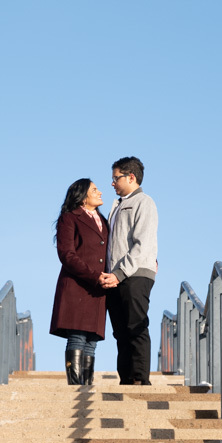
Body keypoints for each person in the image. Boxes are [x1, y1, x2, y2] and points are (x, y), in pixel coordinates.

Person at [100, 156, 158, 386]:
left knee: (136, 326)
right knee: (120, 332)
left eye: (116, 178)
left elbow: (142, 243)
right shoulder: (117, 205)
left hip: (134, 275)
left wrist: (119, 273)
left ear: (131, 177)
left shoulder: (144, 202)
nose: (112, 183)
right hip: (116, 276)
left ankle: (141, 380)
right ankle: (126, 380)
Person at [49, 178, 110, 385]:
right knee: (78, 336)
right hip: (78, 286)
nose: (100, 192)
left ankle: (87, 386)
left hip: (99, 289)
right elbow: (66, 254)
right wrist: (94, 275)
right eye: (94, 189)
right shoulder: (69, 218)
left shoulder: (104, 221)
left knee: (92, 339)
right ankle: (75, 388)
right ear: (83, 197)